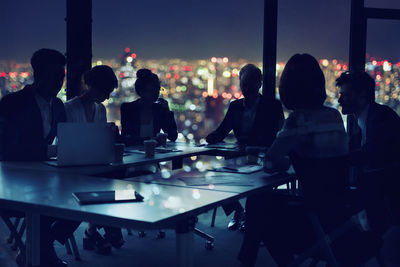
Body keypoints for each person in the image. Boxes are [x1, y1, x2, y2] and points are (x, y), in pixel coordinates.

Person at [238, 54, 355, 266]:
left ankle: (252, 262)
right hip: (341, 213)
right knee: (264, 207)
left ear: (289, 87)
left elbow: (270, 162)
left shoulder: (297, 120)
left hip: (313, 218)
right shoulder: (335, 116)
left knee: (257, 204)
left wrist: (285, 162)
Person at [0, 48, 80, 267]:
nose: (58, 81)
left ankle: (40, 246)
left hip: (42, 177)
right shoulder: (12, 104)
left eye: (61, 76)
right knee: (51, 200)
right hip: (13, 181)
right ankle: (41, 251)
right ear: (38, 74)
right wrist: (47, 152)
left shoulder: (58, 106)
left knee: (81, 197)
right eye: (53, 75)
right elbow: (5, 150)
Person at [206, 64, 284, 230]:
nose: (247, 88)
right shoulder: (235, 106)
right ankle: (239, 212)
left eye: (251, 83)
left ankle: (252, 217)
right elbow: (222, 131)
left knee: (258, 183)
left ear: (259, 84)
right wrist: (209, 138)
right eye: (244, 84)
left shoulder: (272, 106)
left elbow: (279, 135)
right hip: (238, 158)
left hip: (263, 158)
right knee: (217, 179)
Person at [64, 65, 124, 254]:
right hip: (73, 171)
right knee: (104, 190)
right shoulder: (70, 108)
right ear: (91, 86)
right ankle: (103, 228)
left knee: (114, 187)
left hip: (94, 168)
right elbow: (66, 143)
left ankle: (93, 231)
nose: (106, 96)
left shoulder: (100, 110)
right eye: (104, 91)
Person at [336, 71, 400, 233]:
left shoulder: (380, 118)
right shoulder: (367, 118)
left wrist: (333, 160)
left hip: (387, 192)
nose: (339, 100)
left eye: (346, 95)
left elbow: (371, 155)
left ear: (362, 95)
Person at [121, 68, 177, 146]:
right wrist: (150, 140)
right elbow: (127, 138)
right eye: (152, 89)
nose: (156, 93)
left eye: (157, 89)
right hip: (135, 156)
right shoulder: (128, 109)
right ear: (141, 91)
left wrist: (167, 112)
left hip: (154, 155)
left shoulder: (159, 109)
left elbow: (173, 136)